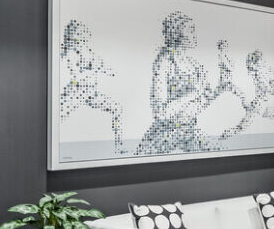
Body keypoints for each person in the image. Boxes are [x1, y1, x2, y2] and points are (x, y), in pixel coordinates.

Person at [136, 11, 215, 155]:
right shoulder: (164, 62)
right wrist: (194, 94)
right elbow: (160, 113)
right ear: (177, 33)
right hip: (165, 135)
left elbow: (205, 99)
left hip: (189, 132)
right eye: (190, 30)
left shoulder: (195, 65)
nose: (194, 35)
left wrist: (203, 97)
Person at [60, 20, 124, 153]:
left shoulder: (86, 51)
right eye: (78, 34)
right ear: (72, 36)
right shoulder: (69, 53)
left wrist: (100, 66)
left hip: (91, 93)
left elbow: (110, 70)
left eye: (83, 35)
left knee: (117, 108)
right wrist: (92, 68)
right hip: (76, 93)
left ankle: (119, 146)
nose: (82, 38)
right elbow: (75, 77)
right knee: (58, 115)